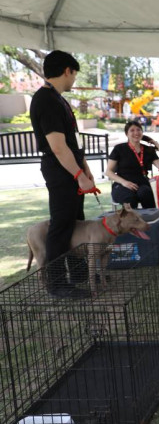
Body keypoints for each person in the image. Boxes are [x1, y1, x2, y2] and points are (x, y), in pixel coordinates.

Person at [29, 50, 99, 299]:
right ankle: (57, 282)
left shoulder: (57, 98)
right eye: (74, 74)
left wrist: (85, 167)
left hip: (71, 167)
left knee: (76, 221)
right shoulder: (45, 100)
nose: (74, 80)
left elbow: (71, 141)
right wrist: (78, 174)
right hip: (60, 172)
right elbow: (57, 146)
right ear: (67, 70)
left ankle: (79, 272)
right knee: (61, 225)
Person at [105, 120, 159, 208]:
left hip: (142, 183)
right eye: (132, 130)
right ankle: (131, 221)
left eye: (138, 130)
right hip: (122, 183)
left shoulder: (148, 150)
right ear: (127, 134)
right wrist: (124, 182)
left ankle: (149, 219)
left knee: (146, 193)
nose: (136, 133)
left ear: (142, 132)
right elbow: (108, 172)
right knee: (130, 198)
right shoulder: (119, 149)